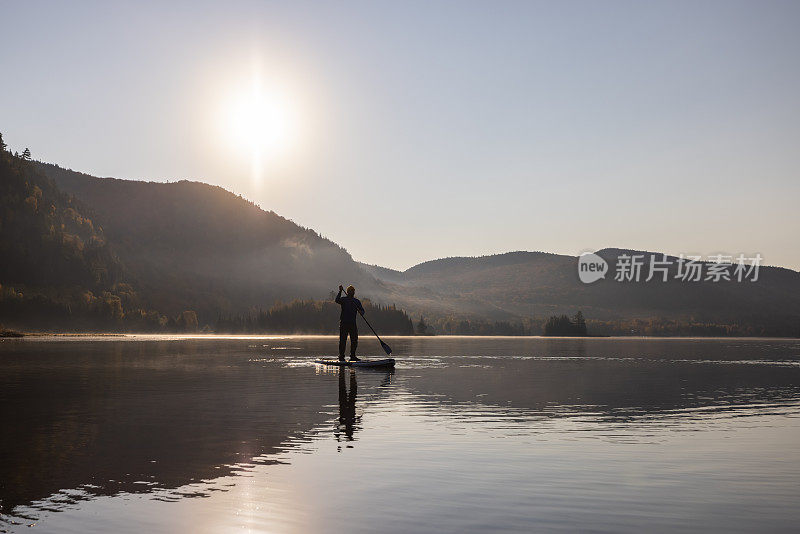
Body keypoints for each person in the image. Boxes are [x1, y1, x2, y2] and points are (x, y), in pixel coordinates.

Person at [335, 284, 365, 361]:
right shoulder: (344, 300)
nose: (352, 292)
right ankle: (341, 356)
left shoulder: (356, 301)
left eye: (353, 291)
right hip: (344, 323)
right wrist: (340, 291)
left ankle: (353, 356)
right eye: (351, 291)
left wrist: (361, 312)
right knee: (342, 340)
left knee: (354, 340)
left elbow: (362, 310)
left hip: (352, 324)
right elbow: (337, 300)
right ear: (348, 292)